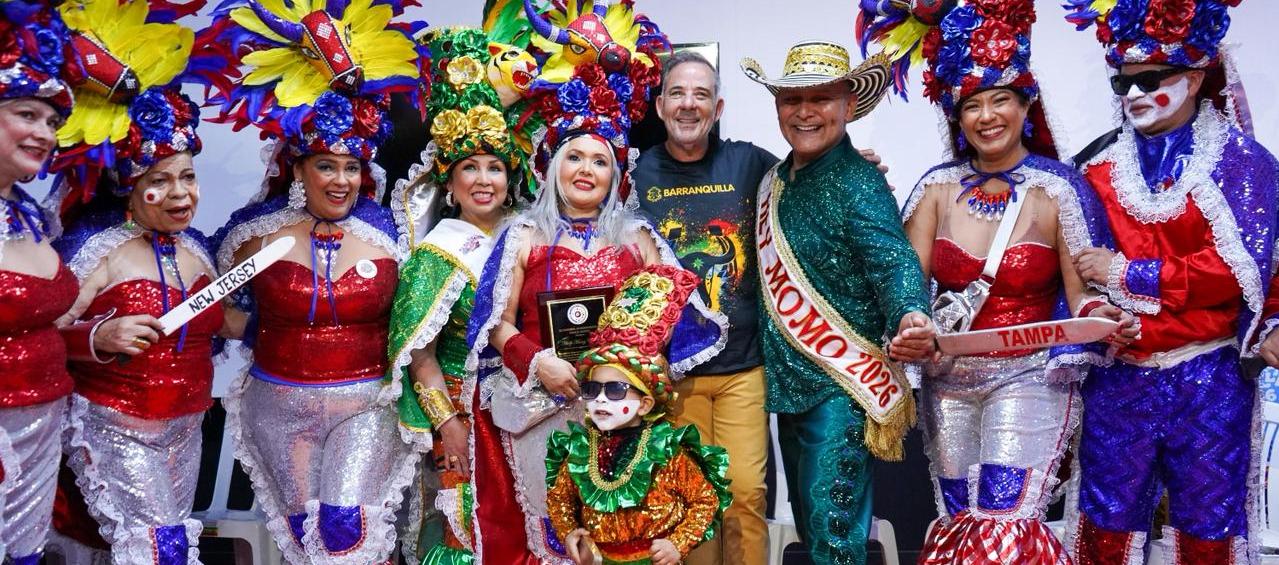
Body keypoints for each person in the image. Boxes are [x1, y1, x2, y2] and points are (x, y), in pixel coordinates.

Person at [860, 1, 1136, 561]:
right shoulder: (936, 188)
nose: (987, 116)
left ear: (1025, 104)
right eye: (972, 105)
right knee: (961, 521)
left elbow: (1083, 297)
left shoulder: (1059, 188)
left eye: (1000, 99)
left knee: (1005, 520)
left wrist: (1099, 317)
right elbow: (904, 285)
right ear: (956, 116)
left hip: (1033, 375)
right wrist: (908, 323)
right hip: (949, 378)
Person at [464, 3, 727, 561]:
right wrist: (539, 363)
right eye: (573, 157)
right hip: (541, 405)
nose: (586, 170)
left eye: (599, 161)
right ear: (551, 165)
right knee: (557, 539)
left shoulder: (635, 237)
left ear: (616, 175)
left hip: (619, 414)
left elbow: (673, 317)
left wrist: (632, 375)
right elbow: (494, 325)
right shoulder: (524, 235)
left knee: (620, 540)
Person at [198, 1, 426, 561]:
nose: (343, 180)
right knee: (305, 540)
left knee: (345, 528)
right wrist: (246, 326)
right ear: (298, 168)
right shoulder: (254, 235)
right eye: (327, 165)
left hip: (364, 403)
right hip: (278, 405)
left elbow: (420, 321)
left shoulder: (391, 237)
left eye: (353, 167)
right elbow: (198, 301)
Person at [1063, 0, 1279, 561]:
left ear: (1193, 75)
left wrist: (1126, 273)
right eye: (1124, 81)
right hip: (1119, 379)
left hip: (1208, 376)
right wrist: (1094, 311)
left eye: (1151, 79)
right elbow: (1073, 272)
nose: (1133, 94)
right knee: (1102, 531)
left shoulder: (1242, 164)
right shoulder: (1096, 169)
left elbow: (1238, 272)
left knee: (1210, 531)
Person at [739, 41, 936, 565]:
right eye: (790, 99)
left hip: (841, 389)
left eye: (820, 98)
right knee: (812, 527)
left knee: (834, 532)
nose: (804, 111)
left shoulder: (860, 182)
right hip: (789, 386)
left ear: (848, 105)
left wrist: (910, 312)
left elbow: (894, 262)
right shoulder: (774, 180)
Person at [44, 2, 217, 560]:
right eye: (160, 180)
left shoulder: (201, 253)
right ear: (130, 186)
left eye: (188, 177)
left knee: (167, 542)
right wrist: (99, 338)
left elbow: (228, 325)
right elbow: (42, 338)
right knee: (160, 549)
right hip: (115, 423)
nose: (180, 193)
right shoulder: (99, 250)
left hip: (186, 427)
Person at [385, 25, 536, 564]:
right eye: (469, 167)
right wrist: (447, 423)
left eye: (495, 166)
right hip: (464, 413)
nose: (484, 179)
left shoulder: (530, 236)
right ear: (448, 184)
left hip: (530, 407)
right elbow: (417, 352)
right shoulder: (438, 251)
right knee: (465, 534)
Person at [628, 50, 775, 565]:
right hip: (671, 371)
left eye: (701, 95)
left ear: (717, 106)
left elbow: (808, 187)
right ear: (660, 104)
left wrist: (852, 167)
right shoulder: (633, 171)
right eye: (678, 93)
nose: (689, 104)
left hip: (743, 367)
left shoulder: (749, 162)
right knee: (686, 501)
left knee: (745, 495)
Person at [546, 264, 732, 565]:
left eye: (616, 390)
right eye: (593, 389)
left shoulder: (665, 450)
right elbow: (560, 499)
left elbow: (705, 499)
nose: (601, 398)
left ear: (645, 404)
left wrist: (677, 543)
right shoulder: (581, 450)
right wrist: (570, 534)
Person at [0, 3, 79, 562]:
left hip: (44, 423)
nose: (45, 133)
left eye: (52, 122)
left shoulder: (32, 213)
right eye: (28, 114)